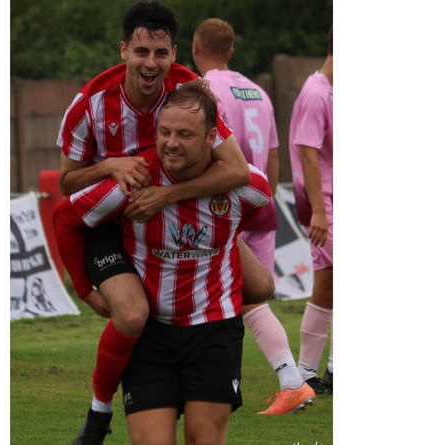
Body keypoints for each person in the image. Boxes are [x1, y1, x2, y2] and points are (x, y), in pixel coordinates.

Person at [54, 2, 275, 443]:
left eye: (159, 53)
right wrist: (109, 166)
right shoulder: (90, 105)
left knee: (263, 287)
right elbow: (65, 185)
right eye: (140, 52)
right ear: (124, 51)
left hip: (167, 203)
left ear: (175, 54)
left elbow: (235, 170)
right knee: (133, 314)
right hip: (115, 213)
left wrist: (168, 197)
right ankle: (99, 414)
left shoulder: (192, 95)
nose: (150, 64)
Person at [191, 17, 316, 415]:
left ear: (195, 49)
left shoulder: (205, 91)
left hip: (226, 204)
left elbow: (208, 150)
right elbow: (274, 155)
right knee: (240, 299)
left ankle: (292, 381)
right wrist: (265, 202)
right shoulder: (258, 91)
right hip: (258, 202)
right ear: (231, 50)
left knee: (237, 300)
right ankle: (252, 383)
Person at [288, 25, 333, 395]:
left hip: (333, 201)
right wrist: (318, 210)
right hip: (328, 204)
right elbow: (307, 151)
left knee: (328, 287)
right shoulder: (317, 92)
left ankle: (306, 373)